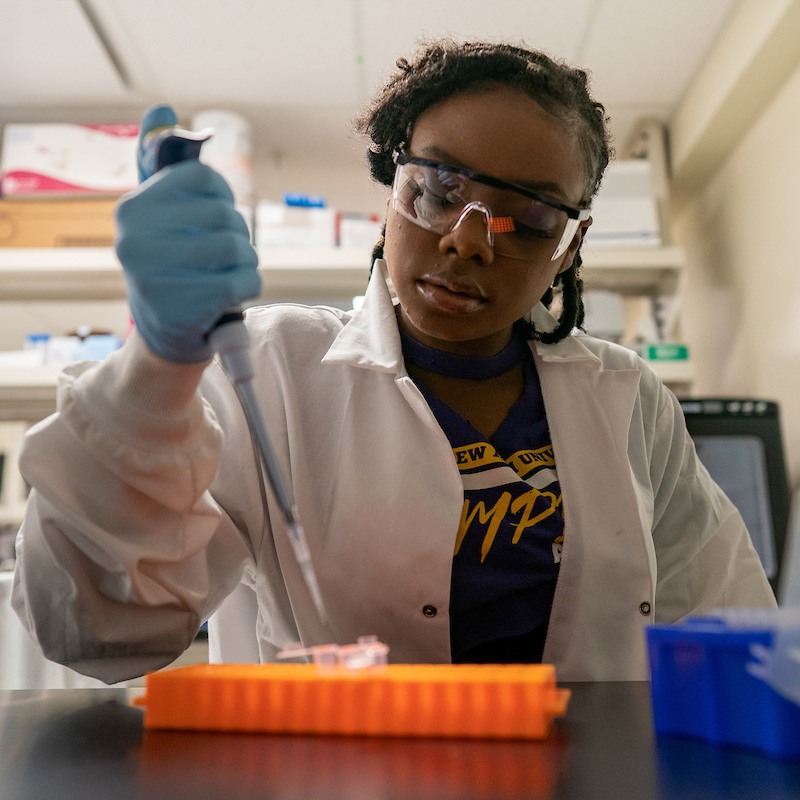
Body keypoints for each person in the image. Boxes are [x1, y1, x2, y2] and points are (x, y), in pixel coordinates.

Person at [12, 40, 775, 684]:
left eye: (530, 216)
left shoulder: (628, 398)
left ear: (568, 246)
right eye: (439, 188)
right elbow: (96, 631)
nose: (470, 239)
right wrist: (155, 368)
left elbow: (731, 627)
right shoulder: (273, 372)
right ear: (392, 193)